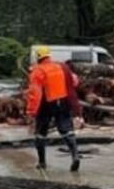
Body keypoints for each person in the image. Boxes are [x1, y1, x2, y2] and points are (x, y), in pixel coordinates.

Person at [26, 44, 84, 172]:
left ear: (38, 57)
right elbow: (74, 81)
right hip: (62, 101)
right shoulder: (61, 66)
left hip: (45, 104)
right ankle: (75, 155)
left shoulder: (38, 71)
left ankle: (42, 162)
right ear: (49, 55)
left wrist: (31, 112)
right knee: (67, 130)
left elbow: (35, 93)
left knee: (40, 133)